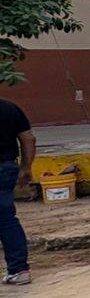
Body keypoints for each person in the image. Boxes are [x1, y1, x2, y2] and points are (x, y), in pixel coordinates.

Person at [1, 94, 37, 286]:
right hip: (6, 168)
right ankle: (18, 270)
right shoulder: (9, 108)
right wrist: (26, 167)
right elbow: (28, 139)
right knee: (7, 219)